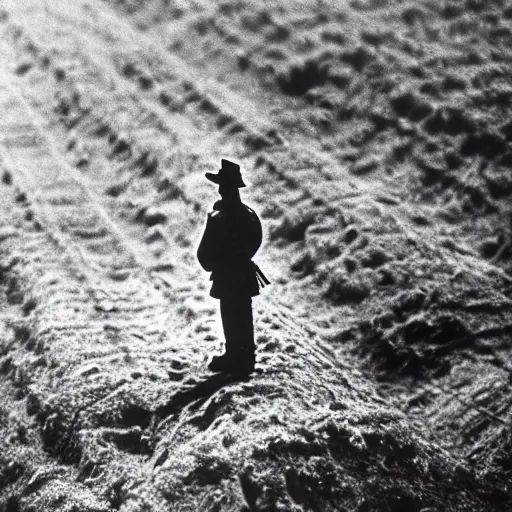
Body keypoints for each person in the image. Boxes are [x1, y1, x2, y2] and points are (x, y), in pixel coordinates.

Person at [197, 159, 269, 376]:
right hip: (244, 273)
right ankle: (245, 357)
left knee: (230, 315)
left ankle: (234, 356)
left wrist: (218, 263)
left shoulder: (217, 218)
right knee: (244, 315)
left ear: (223, 187)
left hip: (226, 275)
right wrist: (242, 258)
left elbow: (205, 254)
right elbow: (256, 239)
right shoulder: (249, 214)